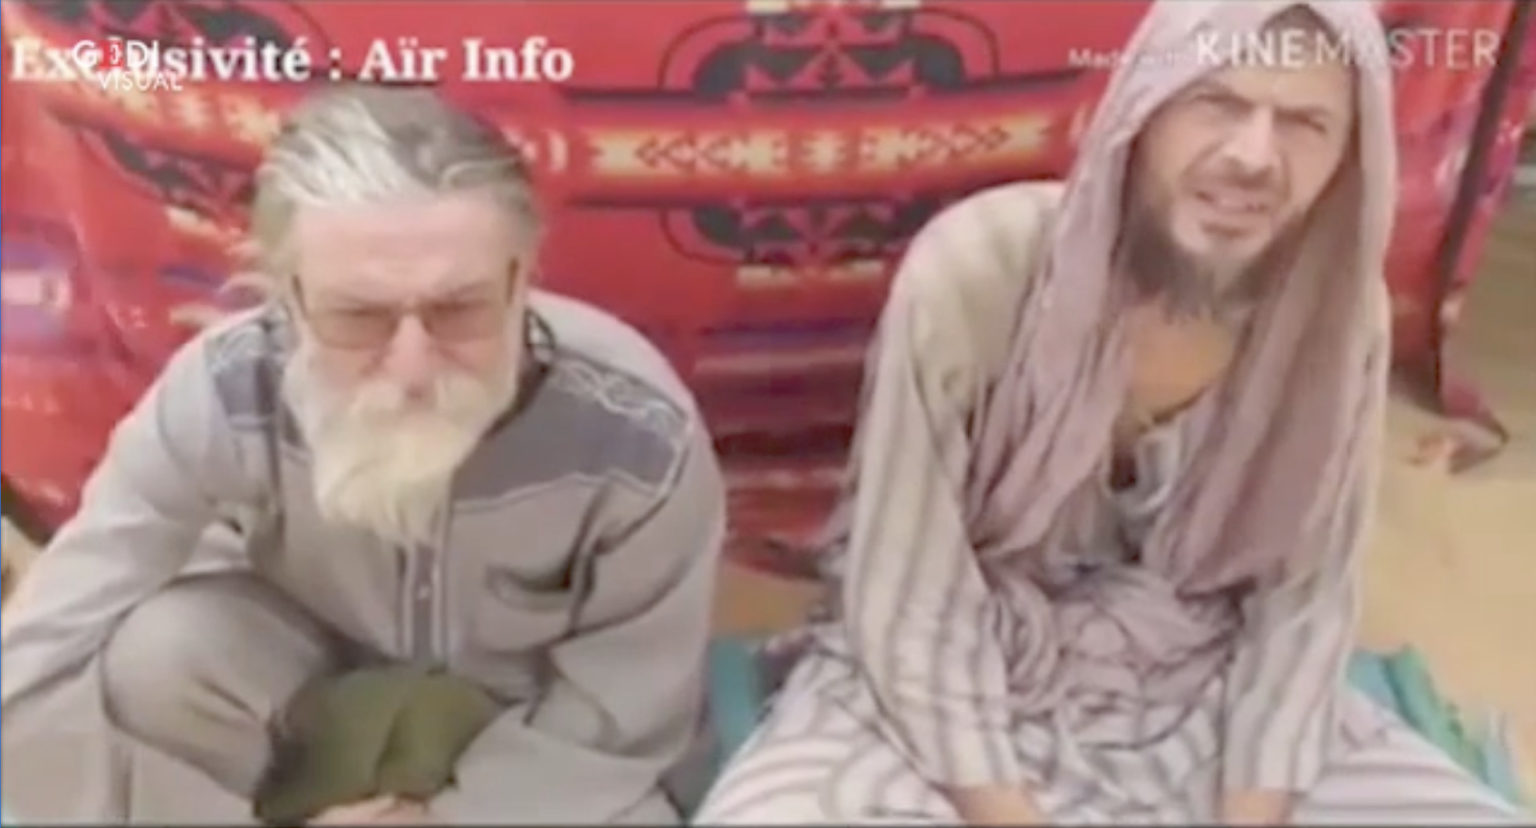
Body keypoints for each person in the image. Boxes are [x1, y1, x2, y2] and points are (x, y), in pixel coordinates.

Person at [696, 2, 1527, 825]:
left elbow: (1301, 605)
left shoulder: (1342, 320)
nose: (1253, 156)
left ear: (1350, 157)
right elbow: (909, 591)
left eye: (1305, 123)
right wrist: (1007, 813)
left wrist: (1250, 816)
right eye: (1217, 103)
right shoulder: (979, 269)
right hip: (956, 685)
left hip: (1206, 688)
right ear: (1142, 114)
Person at [0, 86, 725, 825]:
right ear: (287, 296)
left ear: (520, 280)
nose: (412, 367)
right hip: (302, 710)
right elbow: (32, 663)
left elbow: (624, 717)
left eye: (458, 309)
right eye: (358, 317)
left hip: (530, 747)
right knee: (160, 655)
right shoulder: (223, 394)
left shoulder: (638, 436)